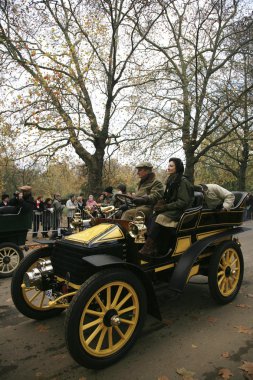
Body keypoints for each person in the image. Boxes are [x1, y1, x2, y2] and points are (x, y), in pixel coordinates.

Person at [139, 158, 194, 256]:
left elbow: (183, 202)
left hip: (181, 211)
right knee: (152, 215)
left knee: (160, 217)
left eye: (171, 166)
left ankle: (149, 247)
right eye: (168, 165)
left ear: (178, 168)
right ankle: (153, 245)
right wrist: (160, 203)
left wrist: (165, 207)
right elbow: (168, 197)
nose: (168, 168)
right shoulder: (171, 180)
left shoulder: (182, 181)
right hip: (172, 208)